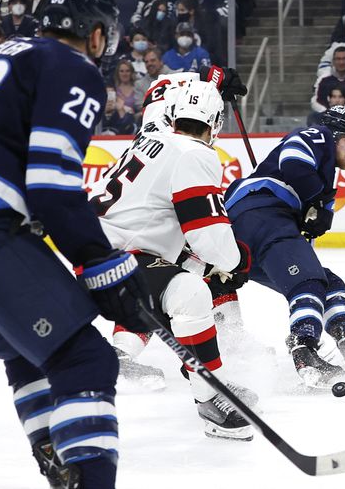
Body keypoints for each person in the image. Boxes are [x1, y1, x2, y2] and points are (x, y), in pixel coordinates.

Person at [0, 0, 154, 488]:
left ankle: (61, 467)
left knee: (28, 349)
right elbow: (52, 183)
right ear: (97, 34)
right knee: (85, 357)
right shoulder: (72, 66)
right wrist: (101, 265)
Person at [88, 77, 257, 440]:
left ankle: (205, 379)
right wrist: (237, 260)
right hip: (118, 256)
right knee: (190, 293)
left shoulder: (152, 137)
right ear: (215, 123)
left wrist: (207, 262)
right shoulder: (195, 153)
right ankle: (210, 398)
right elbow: (207, 234)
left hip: (95, 248)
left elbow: (165, 230)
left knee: (181, 281)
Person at [223, 106, 345, 388]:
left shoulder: (326, 177)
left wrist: (316, 210)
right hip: (261, 215)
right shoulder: (317, 136)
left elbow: (309, 235)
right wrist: (316, 200)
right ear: (334, 135)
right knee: (308, 281)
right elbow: (294, 164)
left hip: (256, 230)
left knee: (325, 281)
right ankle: (305, 350)